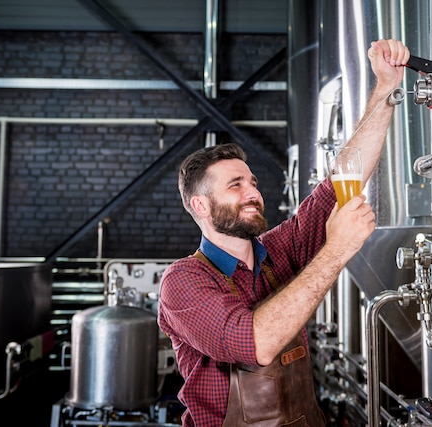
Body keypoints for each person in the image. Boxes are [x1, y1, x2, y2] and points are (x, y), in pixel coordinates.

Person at [157, 38, 410, 426]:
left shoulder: (278, 251)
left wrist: (386, 87)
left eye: (253, 182)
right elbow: (255, 343)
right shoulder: (185, 281)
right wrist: (337, 248)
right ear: (200, 206)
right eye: (235, 185)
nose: (253, 192)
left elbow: (345, 177)